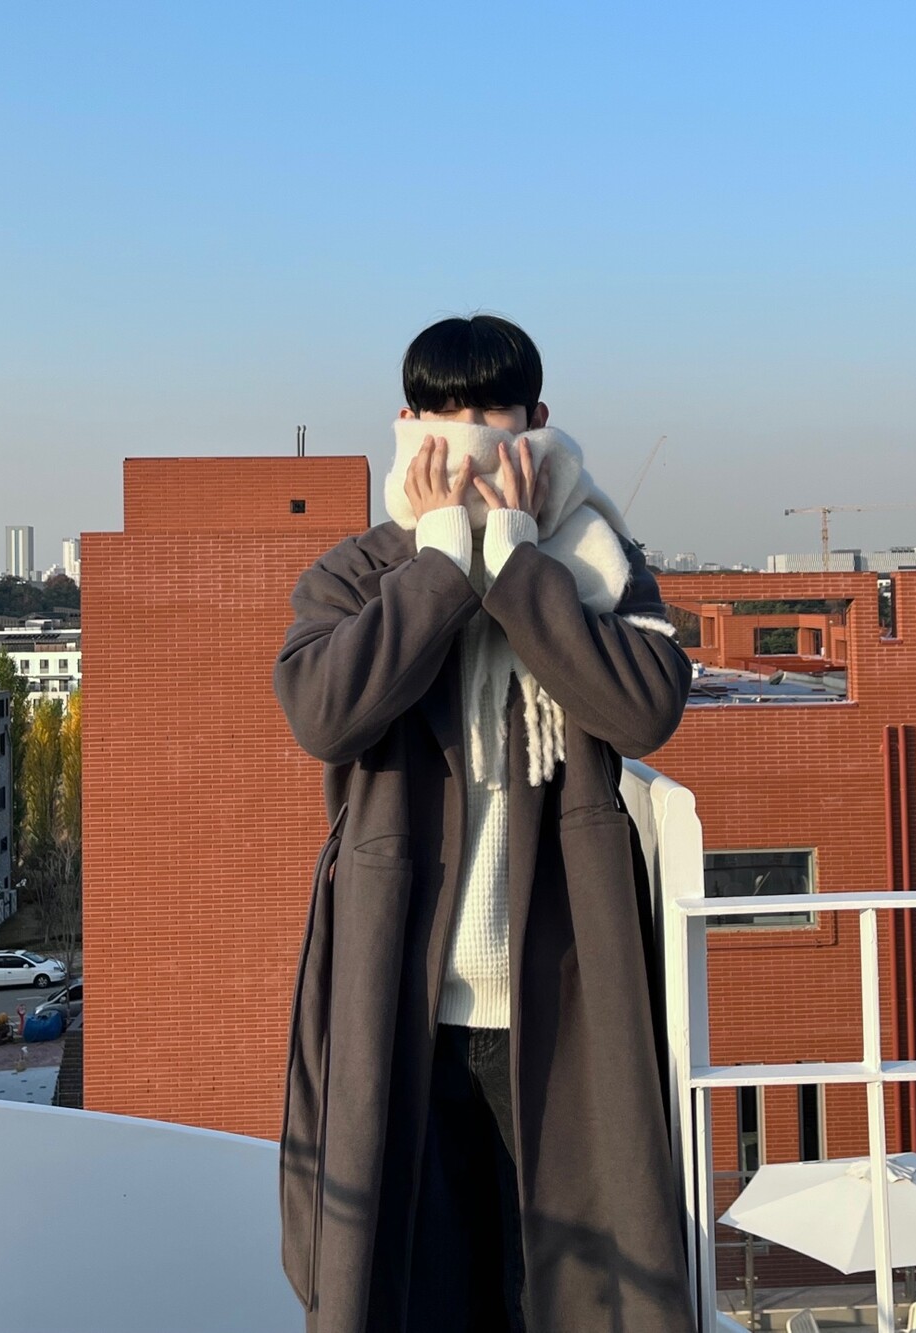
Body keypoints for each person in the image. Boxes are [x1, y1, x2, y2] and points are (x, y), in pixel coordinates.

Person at [274, 314, 697, 1333]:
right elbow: (322, 712)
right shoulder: (362, 572)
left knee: (562, 1286)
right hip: (400, 995)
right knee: (416, 1281)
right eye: (444, 411)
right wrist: (437, 566)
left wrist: (511, 562)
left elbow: (646, 707)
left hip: (562, 995)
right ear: (408, 424)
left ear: (535, 421)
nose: (467, 433)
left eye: (492, 410)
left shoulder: (594, 565)